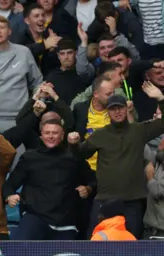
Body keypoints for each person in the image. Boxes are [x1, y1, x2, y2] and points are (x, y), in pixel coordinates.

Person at [68, 83, 164, 238]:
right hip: (104, 200)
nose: (117, 111)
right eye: (113, 108)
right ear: (107, 112)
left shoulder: (139, 130)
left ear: (126, 109)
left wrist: (160, 98)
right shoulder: (100, 135)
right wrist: (73, 144)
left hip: (133, 202)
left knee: (131, 245)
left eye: (120, 107)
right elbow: (81, 154)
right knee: (94, 244)